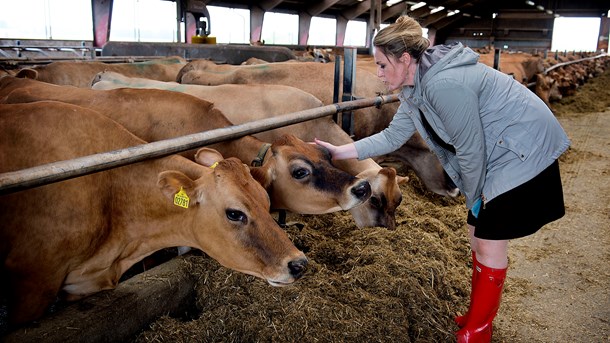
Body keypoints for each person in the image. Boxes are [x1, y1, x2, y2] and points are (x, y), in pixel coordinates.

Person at [314, 15, 570, 343]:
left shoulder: (443, 86)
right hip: (500, 151)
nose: (378, 73)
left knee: (489, 241)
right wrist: (341, 150)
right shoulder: (416, 87)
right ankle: (477, 317)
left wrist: (475, 196)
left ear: (405, 59)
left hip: (522, 152)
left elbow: (471, 150)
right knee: (475, 232)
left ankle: (477, 332)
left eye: (381, 65)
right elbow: (392, 137)